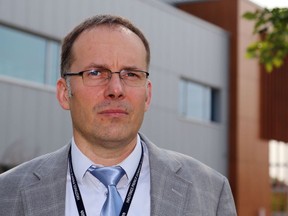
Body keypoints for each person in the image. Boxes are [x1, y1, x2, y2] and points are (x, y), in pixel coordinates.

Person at [0, 14, 237, 216]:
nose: (115, 89)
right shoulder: (7, 194)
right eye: (95, 73)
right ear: (64, 93)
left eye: (131, 74)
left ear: (148, 95)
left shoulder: (210, 192)